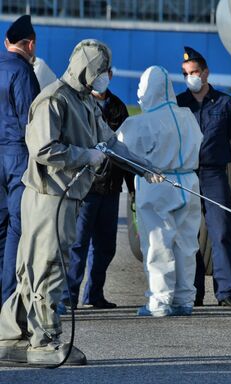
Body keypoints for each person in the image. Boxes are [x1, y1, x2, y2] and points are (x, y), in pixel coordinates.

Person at [0, 39, 160, 366]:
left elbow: (111, 144)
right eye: (101, 70)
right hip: (49, 197)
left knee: (34, 271)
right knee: (46, 268)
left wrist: (145, 168)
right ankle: (45, 343)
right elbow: (43, 149)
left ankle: (12, 336)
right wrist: (84, 155)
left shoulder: (84, 102)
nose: (105, 77)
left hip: (66, 196)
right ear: (86, 70)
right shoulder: (53, 100)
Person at [117, 65, 203, 317]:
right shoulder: (187, 116)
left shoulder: (141, 122)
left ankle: (159, 301)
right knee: (187, 243)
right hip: (189, 183)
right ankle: (184, 300)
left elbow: (118, 147)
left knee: (158, 243)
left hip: (157, 183)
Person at [176, 47, 231, 308]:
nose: (191, 77)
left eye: (194, 72)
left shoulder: (225, 104)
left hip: (214, 175)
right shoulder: (178, 104)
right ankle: (193, 291)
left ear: (206, 73)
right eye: (186, 74)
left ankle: (226, 292)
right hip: (186, 176)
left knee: (221, 232)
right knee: (188, 236)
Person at [59, 68, 135, 313]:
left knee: (105, 246)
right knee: (78, 244)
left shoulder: (118, 107)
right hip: (86, 188)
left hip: (111, 188)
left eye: (105, 73)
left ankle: (94, 293)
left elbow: (124, 149)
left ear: (111, 75)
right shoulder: (79, 104)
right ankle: (68, 296)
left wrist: (132, 189)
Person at [0, 15, 40, 305]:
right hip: (16, 155)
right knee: (18, 225)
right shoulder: (24, 72)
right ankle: (10, 299)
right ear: (31, 44)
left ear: (6, 42)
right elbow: (32, 121)